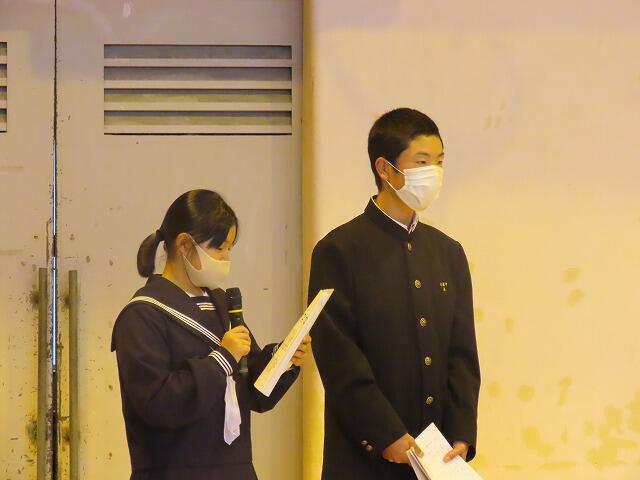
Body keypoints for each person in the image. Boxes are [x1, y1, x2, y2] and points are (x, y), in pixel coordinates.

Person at [308, 108, 480, 479]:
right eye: (421, 162)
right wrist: (385, 433)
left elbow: (462, 355)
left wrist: (461, 433)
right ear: (384, 169)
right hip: (365, 457)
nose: (433, 172)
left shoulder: (448, 252)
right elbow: (338, 358)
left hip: (437, 457)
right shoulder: (339, 250)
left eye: (439, 162)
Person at [111, 189, 311, 480]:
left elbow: (253, 391)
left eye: (229, 248)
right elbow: (157, 404)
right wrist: (222, 359)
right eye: (219, 248)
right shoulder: (142, 314)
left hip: (236, 469)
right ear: (184, 244)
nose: (226, 258)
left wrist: (283, 359)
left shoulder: (221, 304)